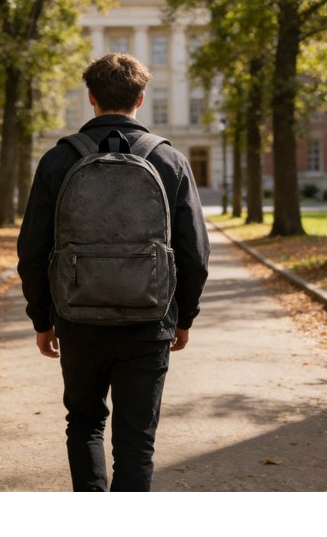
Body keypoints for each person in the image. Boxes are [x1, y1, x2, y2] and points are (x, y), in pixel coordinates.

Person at [17, 53, 210, 491]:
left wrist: (42, 319)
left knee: (84, 425)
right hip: (150, 319)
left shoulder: (58, 159)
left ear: (91, 98)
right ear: (141, 98)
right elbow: (195, 252)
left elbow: (32, 249)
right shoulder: (170, 160)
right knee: (136, 441)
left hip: (78, 317)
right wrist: (185, 316)